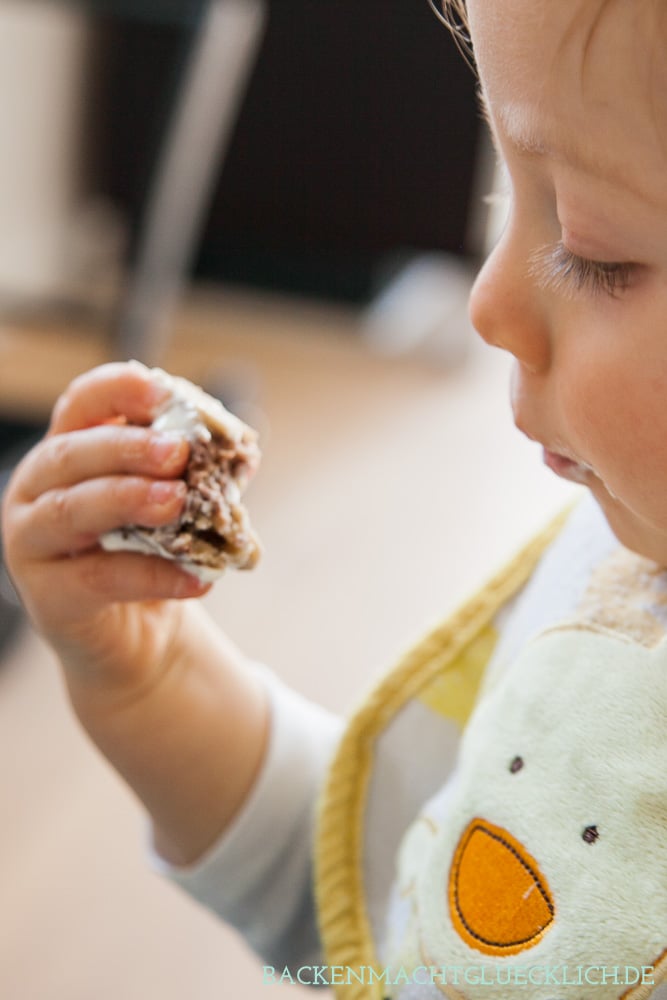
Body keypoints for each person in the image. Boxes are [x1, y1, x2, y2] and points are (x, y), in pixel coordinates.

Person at [3, 0, 667, 995]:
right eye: (504, 200)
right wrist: (155, 681)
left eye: (591, 248)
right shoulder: (604, 583)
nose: (485, 302)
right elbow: (392, 911)